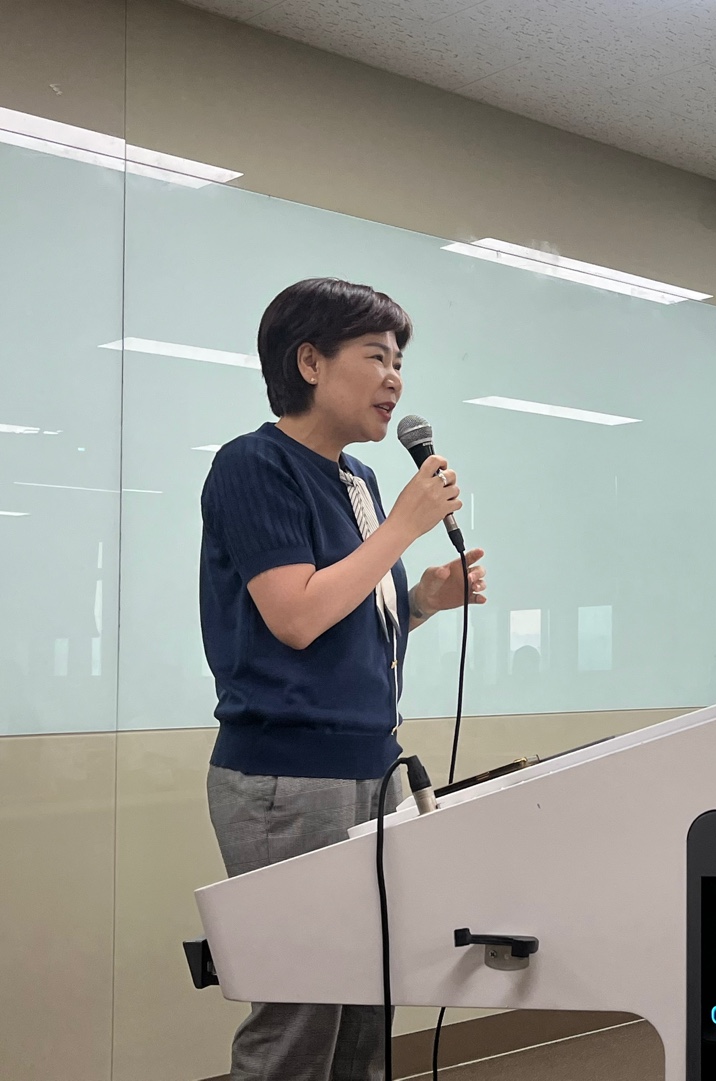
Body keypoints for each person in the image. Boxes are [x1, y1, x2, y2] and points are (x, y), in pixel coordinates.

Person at [199, 277, 486, 1081]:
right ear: (310, 362)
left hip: (371, 767)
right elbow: (294, 616)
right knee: (301, 1011)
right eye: (377, 357)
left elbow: (341, 617)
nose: (395, 379)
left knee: (366, 1006)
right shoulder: (255, 465)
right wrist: (403, 528)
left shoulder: (357, 479)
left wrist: (420, 601)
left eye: (400, 363)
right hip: (288, 778)